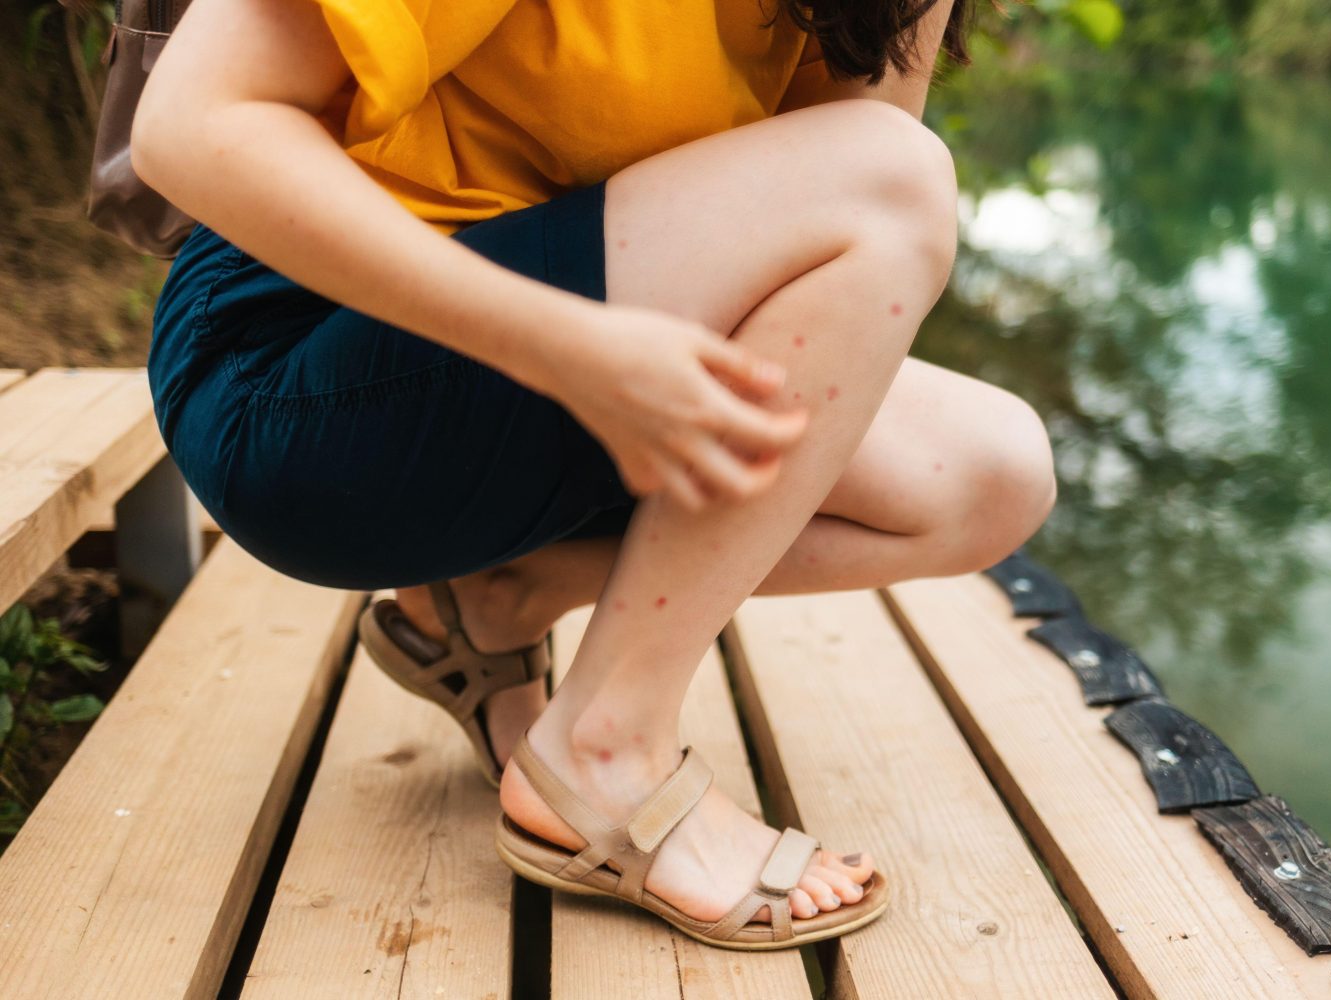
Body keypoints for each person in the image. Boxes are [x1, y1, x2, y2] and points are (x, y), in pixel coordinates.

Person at [131, 0, 1057, 949]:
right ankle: (605, 747)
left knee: (990, 476)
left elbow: (829, 217)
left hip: (541, 355)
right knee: (893, 178)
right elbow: (188, 125)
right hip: (294, 371)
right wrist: (563, 345)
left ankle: (498, 594)